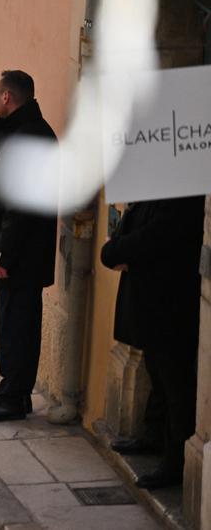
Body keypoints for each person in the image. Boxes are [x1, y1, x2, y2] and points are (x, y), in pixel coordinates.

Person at [0, 70, 57, 423]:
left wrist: (4, 254)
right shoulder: (27, 131)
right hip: (22, 252)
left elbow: (20, 205)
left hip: (21, 256)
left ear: (6, 97)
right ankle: (13, 392)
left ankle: (13, 399)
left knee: (18, 327)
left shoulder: (28, 137)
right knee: (14, 323)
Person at [100, 197, 204, 490]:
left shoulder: (183, 197)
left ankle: (174, 461)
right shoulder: (152, 190)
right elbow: (130, 228)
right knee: (157, 371)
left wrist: (115, 250)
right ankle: (154, 435)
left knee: (175, 383)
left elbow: (155, 237)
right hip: (151, 300)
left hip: (171, 304)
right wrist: (116, 249)